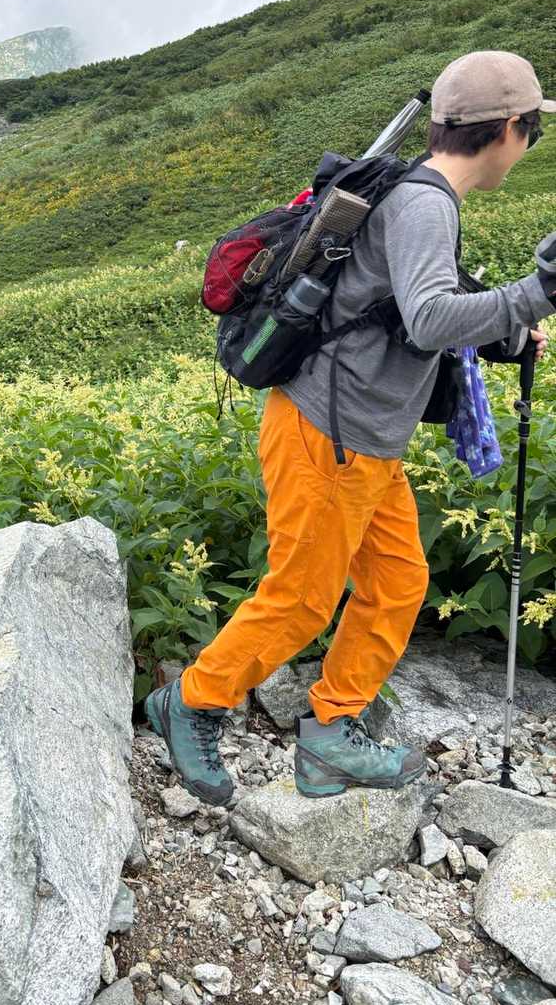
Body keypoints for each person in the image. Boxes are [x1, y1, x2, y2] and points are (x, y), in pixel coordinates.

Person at [146, 50, 554, 802]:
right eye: (534, 130)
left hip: (362, 437)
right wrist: (537, 293)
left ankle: (332, 732)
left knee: (397, 581)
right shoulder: (427, 204)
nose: (530, 145)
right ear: (509, 129)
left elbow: (403, 303)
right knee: (303, 597)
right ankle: (193, 700)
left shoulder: (417, 191)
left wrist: (504, 328)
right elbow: (429, 319)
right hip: (328, 434)